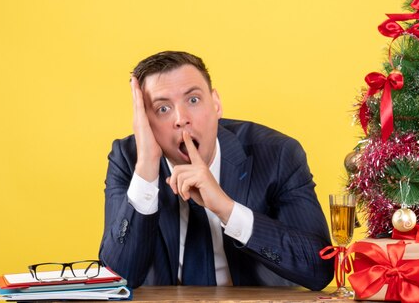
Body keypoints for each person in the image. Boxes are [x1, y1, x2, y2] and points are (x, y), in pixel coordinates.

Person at [99, 51, 333, 290]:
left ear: (216, 104)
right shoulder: (128, 160)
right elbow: (118, 280)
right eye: (162, 109)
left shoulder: (278, 155)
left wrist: (226, 209)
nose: (181, 119)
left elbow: (320, 268)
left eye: (193, 100)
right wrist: (147, 168)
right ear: (145, 122)